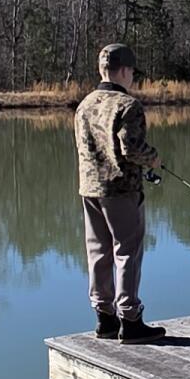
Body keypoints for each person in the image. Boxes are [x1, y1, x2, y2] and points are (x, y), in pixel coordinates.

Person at [74, 42, 168, 341]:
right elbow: (131, 149)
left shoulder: (84, 104)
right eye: (132, 73)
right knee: (127, 252)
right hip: (121, 190)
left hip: (90, 189)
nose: (133, 78)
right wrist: (154, 158)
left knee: (98, 252)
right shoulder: (128, 105)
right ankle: (130, 319)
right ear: (124, 71)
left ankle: (105, 318)